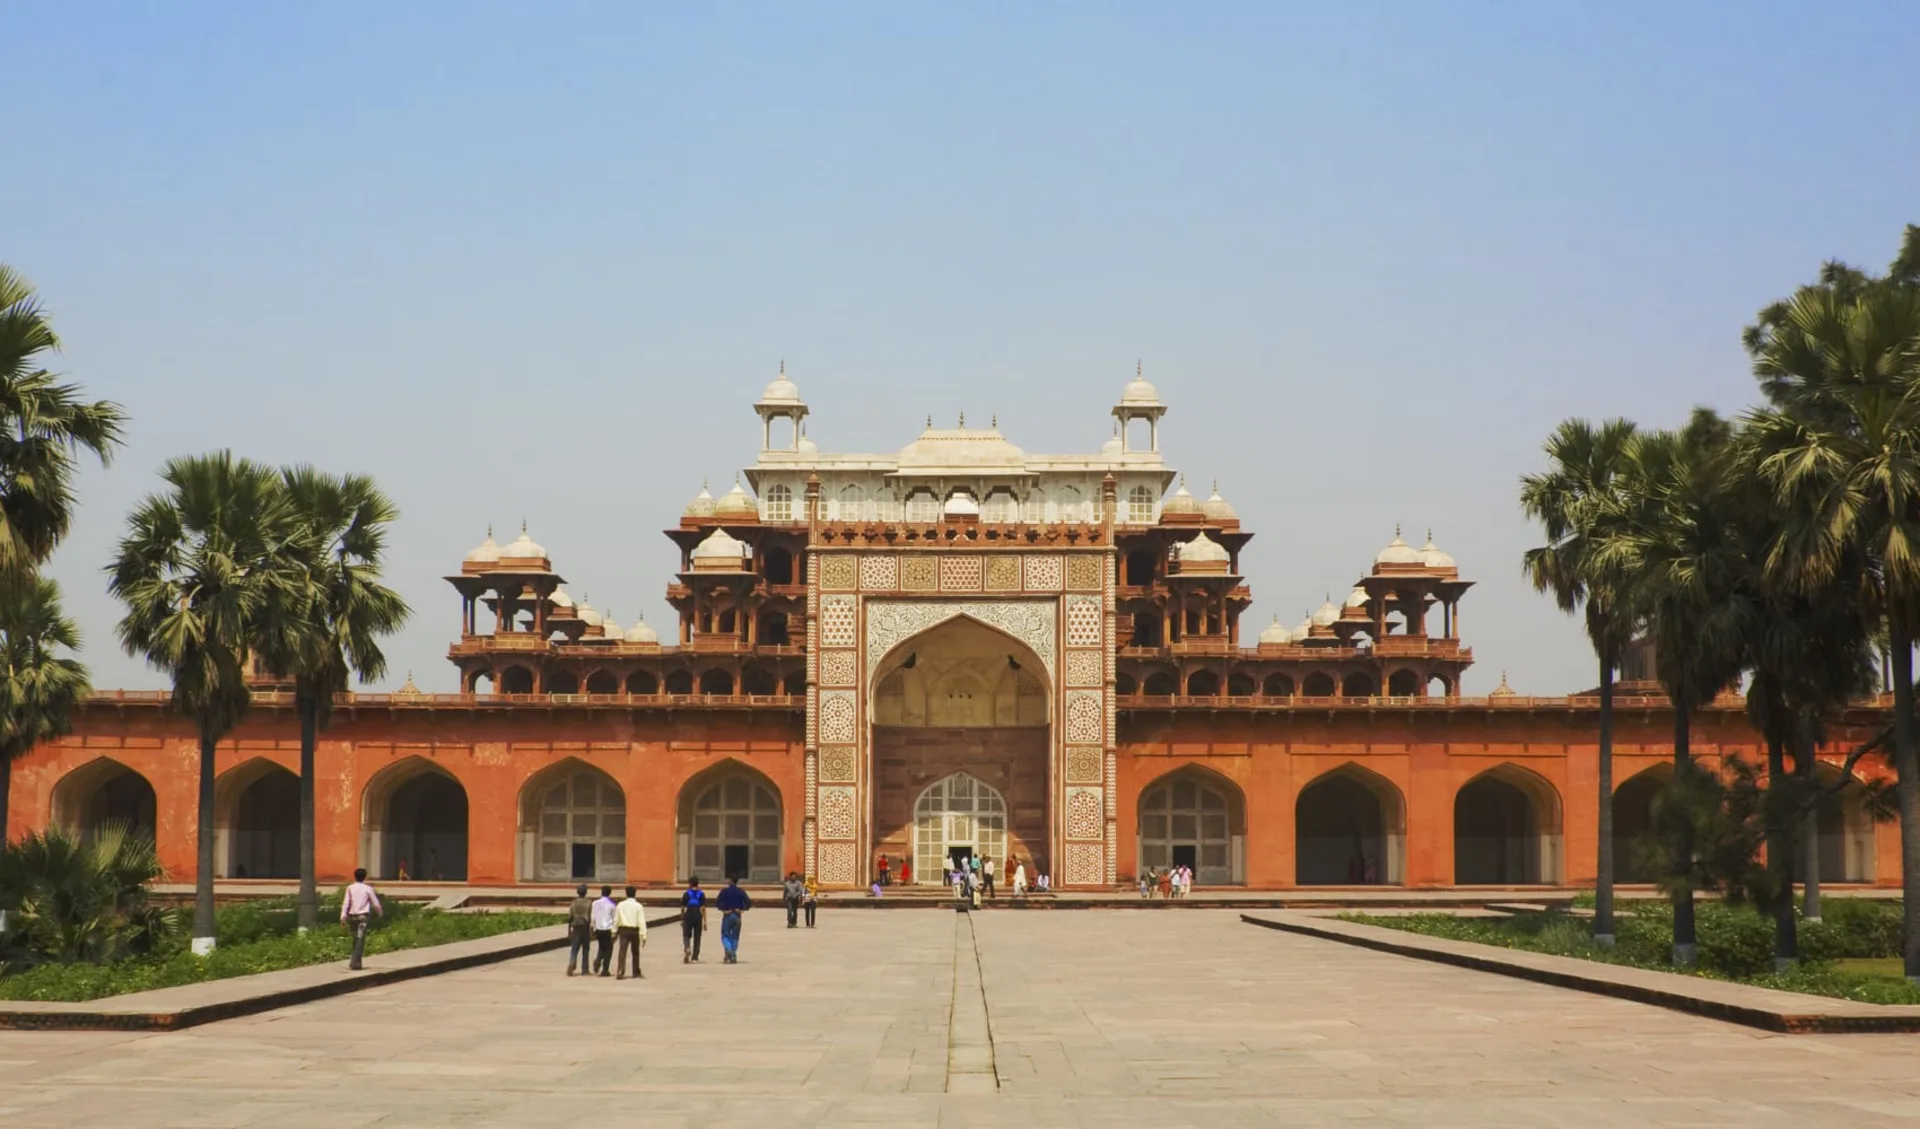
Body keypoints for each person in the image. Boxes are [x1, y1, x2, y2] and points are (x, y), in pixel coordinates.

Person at [340, 867, 383, 970]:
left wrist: (343, 917)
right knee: (360, 940)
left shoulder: (350, 888)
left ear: (355, 876)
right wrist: (380, 913)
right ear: (365, 877)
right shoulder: (368, 889)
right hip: (363, 918)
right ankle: (355, 963)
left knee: (355, 939)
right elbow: (376, 904)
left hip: (353, 918)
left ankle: (355, 962)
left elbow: (346, 903)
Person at [716, 875, 752, 963]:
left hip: (728, 915)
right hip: (737, 915)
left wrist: (724, 910)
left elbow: (717, 903)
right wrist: (742, 910)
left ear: (730, 881)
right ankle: (733, 955)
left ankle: (728, 950)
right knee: (735, 936)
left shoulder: (724, 891)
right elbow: (748, 903)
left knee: (725, 934)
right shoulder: (740, 891)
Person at [614, 886, 647, 979]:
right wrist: (643, 935)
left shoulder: (620, 905)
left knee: (622, 951)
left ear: (626, 893)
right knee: (635, 952)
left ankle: (620, 970)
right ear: (635, 893)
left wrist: (614, 931)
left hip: (623, 930)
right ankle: (635, 971)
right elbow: (641, 921)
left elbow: (616, 919)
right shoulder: (638, 906)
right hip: (634, 930)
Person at [566, 883, 593, 976]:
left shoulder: (574, 903)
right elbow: (590, 917)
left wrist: (569, 929)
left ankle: (572, 963)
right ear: (586, 892)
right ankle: (585, 969)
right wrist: (591, 930)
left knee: (574, 948)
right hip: (585, 927)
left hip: (576, 927)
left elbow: (570, 917)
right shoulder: (589, 902)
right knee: (586, 949)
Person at [590, 885, 617, 976]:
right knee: (609, 949)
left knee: (601, 947)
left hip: (598, 929)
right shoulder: (612, 905)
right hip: (608, 929)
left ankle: (598, 960)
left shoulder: (595, 903)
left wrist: (592, 928)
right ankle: (605, 970)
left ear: (601, 892)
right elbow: (614, 919)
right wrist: (615, 931)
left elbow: (592, 917)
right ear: (610, 893)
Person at [680, 876, 707, 963]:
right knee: (697, 937)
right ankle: (695, 957)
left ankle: (687, 948)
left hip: (689, 915)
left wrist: (682, 919)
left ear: (690, 884)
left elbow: (683, 908)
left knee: (686, 935)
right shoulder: (701, 894)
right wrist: (705, 922)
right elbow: (703, 908)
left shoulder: (686, 894)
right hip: (697, 916)